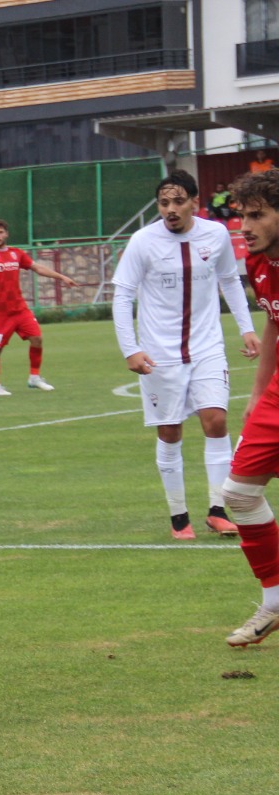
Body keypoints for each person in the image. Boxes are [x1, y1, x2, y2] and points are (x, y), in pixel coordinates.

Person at [112, 170, 258, 541]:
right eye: (164, 203)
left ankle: (217, 510)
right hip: (160, 355)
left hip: (207, 347)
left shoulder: (216, 234)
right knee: (170, 430)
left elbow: (230, 280)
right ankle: (179, 516)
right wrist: (131, 348)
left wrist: (247, 328)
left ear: (195, 202)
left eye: (178, 201)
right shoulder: (143, 241)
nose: (171, 209)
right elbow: (123, 294)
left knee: (215, 421)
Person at [217, 171, 279, 645]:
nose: (245, 226)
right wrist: (258, 394)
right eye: (243, 215)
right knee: (238, 494)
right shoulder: (260, 266)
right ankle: (275, 602)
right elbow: (273, 324)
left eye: (257, 215)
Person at [0, 220, 77, 395]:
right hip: (0, 312)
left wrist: (61, 277)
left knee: (37, 338)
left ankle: (34, 378)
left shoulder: (16, 253)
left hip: (19, 309)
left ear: (6, 234)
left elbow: (37, 268)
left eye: (0, 232)